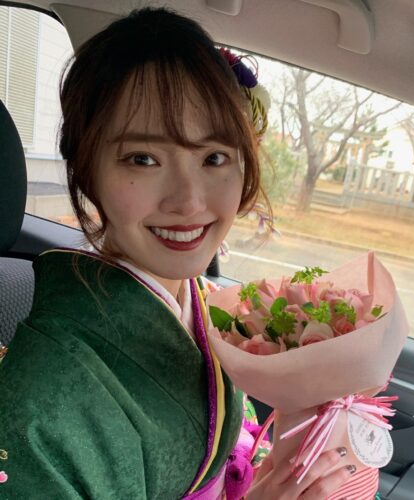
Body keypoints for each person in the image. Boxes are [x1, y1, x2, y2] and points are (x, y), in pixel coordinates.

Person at [0, 7, 357, 499]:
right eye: (143, 159)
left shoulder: (208, 305)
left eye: (214, 157)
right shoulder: (39, 400)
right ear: (86, 169)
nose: (188, 201)